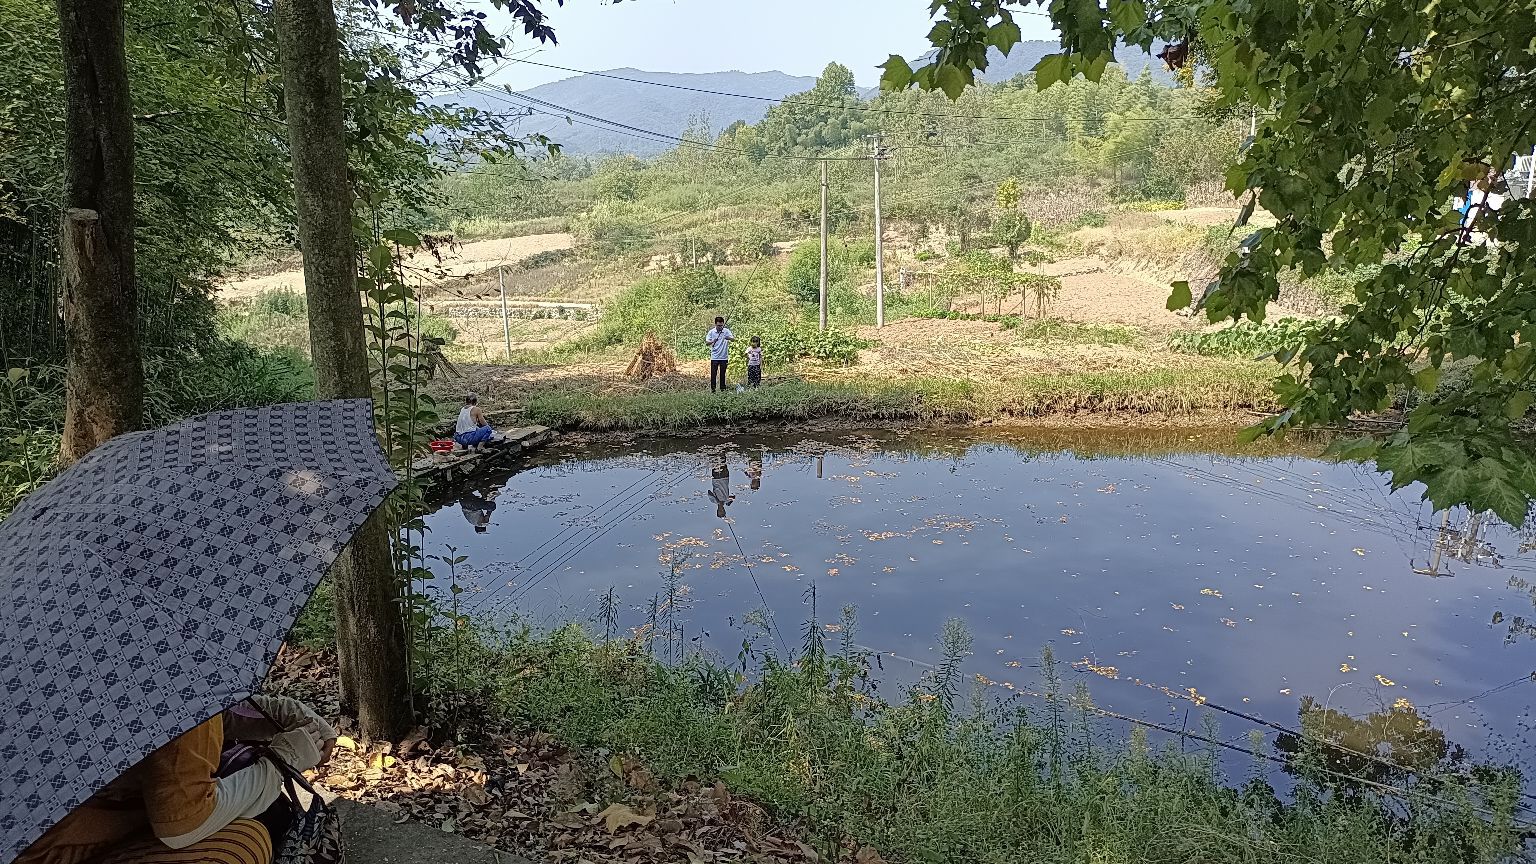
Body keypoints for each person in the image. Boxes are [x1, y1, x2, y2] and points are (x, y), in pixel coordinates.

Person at [17, 695, 335, 864]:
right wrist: (282, 761)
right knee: (246, 841)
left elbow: (212, 715)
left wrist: (273, 714)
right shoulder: (179, 676)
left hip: (59, 825)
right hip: (57, 849)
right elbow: (183, 822)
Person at [705, 317, 734, 393]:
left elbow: (733, 339)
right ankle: (713, 390)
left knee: (722, 374)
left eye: (721, 325)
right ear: (715, 324)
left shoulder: (726, 331)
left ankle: (723, 390)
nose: (720, 327)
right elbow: (707, 343)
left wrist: (728, 338)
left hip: (724, 357)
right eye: (718, 325)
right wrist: (712, 341)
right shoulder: (711, 332)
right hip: (714, 357)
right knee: (713, 375)